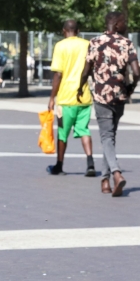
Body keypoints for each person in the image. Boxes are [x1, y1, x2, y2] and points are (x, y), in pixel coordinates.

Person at [77, 12, 140, 197]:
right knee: (110, 137)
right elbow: (136, 71)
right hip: (119, 96)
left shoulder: (95, 42)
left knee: (106, 137)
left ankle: (116, 173)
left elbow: (86, 70)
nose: (126, 25)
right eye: (124, 22)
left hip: (101, 96)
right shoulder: (126, 43)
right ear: (117, 24)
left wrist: (80, 88)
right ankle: (104, 181)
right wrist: (131, 87)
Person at [46, 20, 96, 177]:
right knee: (84, 130)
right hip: (84, 97)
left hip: (66, 98)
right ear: (78, 31)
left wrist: (52, 97)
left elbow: (58, 74)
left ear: (63, 31)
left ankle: (59, 165)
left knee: (62, 133)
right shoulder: (87, 44)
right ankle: (90, 163)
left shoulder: (60, 46)